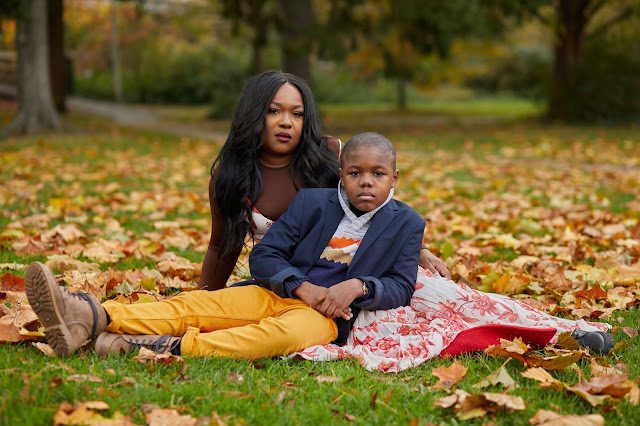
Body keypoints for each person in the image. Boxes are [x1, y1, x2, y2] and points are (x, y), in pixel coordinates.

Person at [24, 132, 425, 359]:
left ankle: (159, 348)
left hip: (326, 315)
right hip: (280, 290)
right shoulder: (313, 202)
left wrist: (358, 287)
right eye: (355, 172)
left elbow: (401, 285)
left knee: (273, 338)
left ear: (395, 178)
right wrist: (301, 286)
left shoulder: (407, 223)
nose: (366, 181)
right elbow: (266, 255)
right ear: (342, 173)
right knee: (196, 305)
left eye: (377, 173)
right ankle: (88, 314)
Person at [198, 70, 448, 291]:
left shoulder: (331, 154)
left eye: (297, 114)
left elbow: (374, 200)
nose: (286, 122)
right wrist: (203, 300)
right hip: (284, 282)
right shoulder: (229, 177)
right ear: (252, 114)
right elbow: (221, 247)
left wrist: (419, 250)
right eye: (273, 111)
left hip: (353, 274)